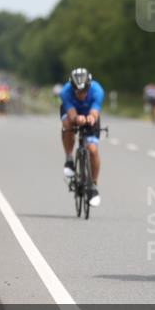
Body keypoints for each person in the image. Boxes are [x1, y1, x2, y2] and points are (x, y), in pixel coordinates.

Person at [60, 68, 105, 207]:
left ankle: (93, 184)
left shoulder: (97, 90)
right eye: (77, 91)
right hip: (72, 112)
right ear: (72, 88)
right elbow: (71, 113)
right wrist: (76, 118)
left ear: (89, 86)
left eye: (84, 91)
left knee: (92, 149)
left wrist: (91, 117)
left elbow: (95, 111)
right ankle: (69, 158)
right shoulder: (65, 92)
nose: (81, 94)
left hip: (89, 112)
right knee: (67, 124)